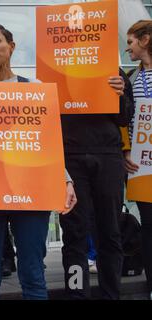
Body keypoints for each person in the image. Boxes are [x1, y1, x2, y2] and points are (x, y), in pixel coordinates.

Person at [0, 23, 77, 300]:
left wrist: (65, 180)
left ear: (11, 46)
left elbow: (48, 143)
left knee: (34, 275)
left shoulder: (35, 89)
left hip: (30, 191)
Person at [59, 56, 133, 300]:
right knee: (74, 234)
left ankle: (111, 295)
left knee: (110, 232)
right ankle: (77, 295)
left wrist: (119, 94)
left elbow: (124, 118)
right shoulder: (55, 70)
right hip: (70, 158)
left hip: (108, 157)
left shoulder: (114, 70)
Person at [124, 19, 152, 300]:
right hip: (142, 163)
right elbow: (126, 119)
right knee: (149, 222)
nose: (127, 47)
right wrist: (126, 151)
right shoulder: (131, 78)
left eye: (131, 41)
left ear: (145, 41)